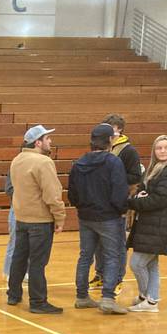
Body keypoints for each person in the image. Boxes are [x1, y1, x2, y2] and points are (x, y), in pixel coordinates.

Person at [68, 123, 129, 314]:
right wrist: (121, 210)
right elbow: (119, 191)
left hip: (86, 217)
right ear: (109, 140)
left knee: (85, 256)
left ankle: (82, 297)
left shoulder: (79, 163)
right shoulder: (113, 162)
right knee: (112, 256)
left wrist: (83, 208)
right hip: (109, 217)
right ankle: (108, 298)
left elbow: (72, 195)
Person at [7, 124, 66, 314]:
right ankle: (38, 302)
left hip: (21, 218)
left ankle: (13, 295)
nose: (50, 141)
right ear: (38, 142)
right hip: (40, 221)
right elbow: (52, 194)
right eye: (47, 138)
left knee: (19, 258)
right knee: (38, 263)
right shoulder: (43, 162)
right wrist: (60, 217)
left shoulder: (17, 159)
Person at [90, 114, 142, 294]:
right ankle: (100, 274)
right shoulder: (101, 147)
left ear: (119, 130)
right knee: (99, 243)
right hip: (100, 202)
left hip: (117, 203)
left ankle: (118, 278)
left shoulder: (128, 151)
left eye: (111, 128)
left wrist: (112, 177)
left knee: (118, 244)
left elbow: (135, 176)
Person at [125, 134, 167, 312]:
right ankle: (150, 300)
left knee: (137, 263)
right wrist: (138, 196)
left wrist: (134, 202)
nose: (162, 151)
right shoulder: (153, 169)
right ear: (154, 151)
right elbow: (141, 189)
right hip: (149, 224)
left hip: (158, 226)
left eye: (165, 148)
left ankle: (148, 298)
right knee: (151, 264)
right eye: (159, 148)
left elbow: (159, 200)